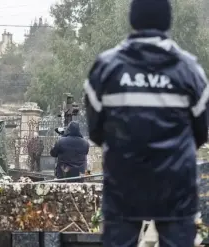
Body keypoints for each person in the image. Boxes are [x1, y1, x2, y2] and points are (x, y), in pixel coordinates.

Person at [84, 0, 209, 246]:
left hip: (123, 182)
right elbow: (201, 131)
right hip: (176, 185)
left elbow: (96, 131)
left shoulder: (106, 68)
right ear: (168, 21)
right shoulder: (189, 70)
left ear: (133, 19)